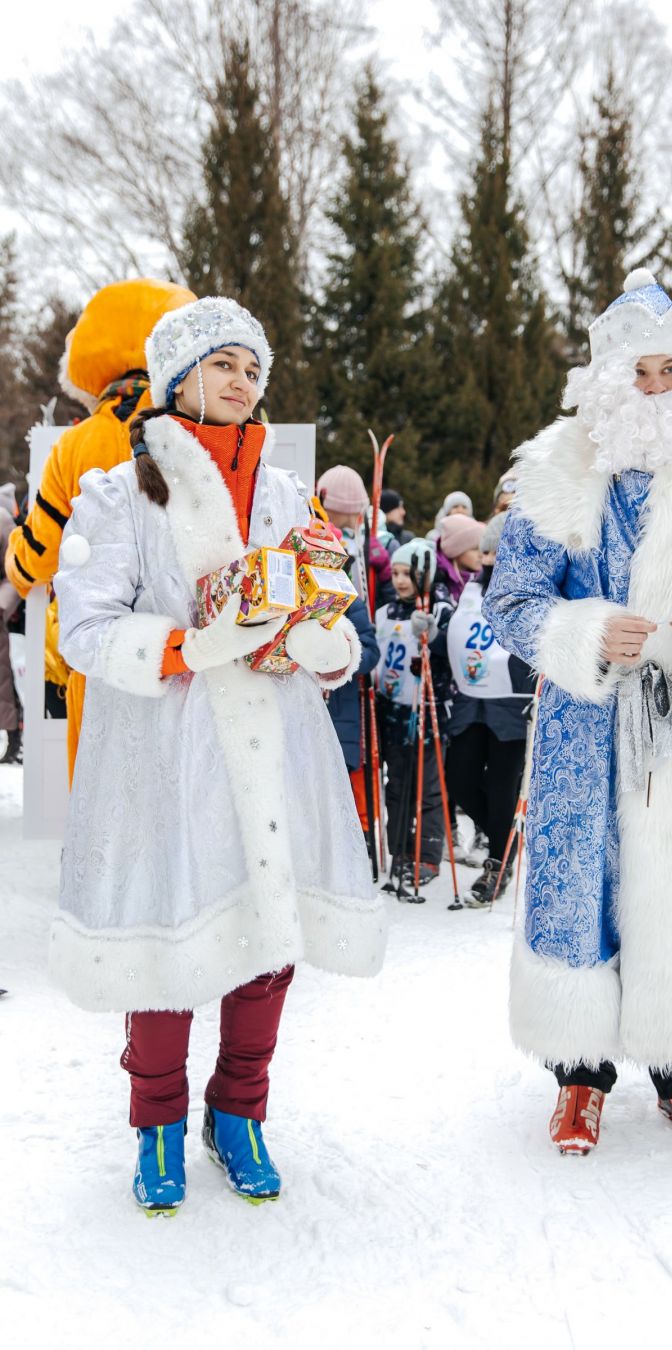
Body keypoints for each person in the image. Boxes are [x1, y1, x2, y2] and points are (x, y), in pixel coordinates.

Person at [52, 296, 386, 1214]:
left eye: (254, 369)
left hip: (277, 745)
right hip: (166, 751)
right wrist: (184, 649)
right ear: (175, 378)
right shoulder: (119, 491)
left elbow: (323, 609)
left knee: (267, 940)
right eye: (225, 364)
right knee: (168, 943)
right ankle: (156, 1122)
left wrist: (329, 646)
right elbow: (82, 623)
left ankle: (238, 1113)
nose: (243, 382)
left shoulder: (286, 494)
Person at [483, 269, 672, 1156]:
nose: (654, 388)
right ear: (604, 384)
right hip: (590, 723)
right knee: (583, 881)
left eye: (668, 372)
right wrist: (582, 633)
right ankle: (579, 1076)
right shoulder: (554, 475)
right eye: (638, 374)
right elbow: (512, 600)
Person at [3, 279, 196, 782]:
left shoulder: (77, 444)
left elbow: (36, 559)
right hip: (190, 649)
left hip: (104, 652)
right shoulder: (196, 432)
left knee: (103, 798)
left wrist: (14, 560)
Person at [445, 511, 537, 906]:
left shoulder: (528, 587)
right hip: (470, 699)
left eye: (498, 550)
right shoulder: (469, 592)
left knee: (502, 786)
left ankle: (497, 862)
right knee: (460, 777)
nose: (489, 558)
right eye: (486, 551)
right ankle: (506, 838)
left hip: (509, 702)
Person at [375, 537, 454, 892]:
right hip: (393, 710)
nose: (401, 580)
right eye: (396, 572)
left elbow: (452, 652)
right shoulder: (386, 611)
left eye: (408, 573)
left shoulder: (440, 608)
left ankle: (427, 854)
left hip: (429, 711)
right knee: (397, 786)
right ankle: (400, 851)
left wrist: (433, 638)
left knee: (429, 789)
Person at [324, 594, 380, 833]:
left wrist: (342, 655)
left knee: (341, 778)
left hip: (340, 709)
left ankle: (354, 832)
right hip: (303, 703)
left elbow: (370, 652)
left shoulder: (348, 601)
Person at [316, 464, 395, 607]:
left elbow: (390, 593)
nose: (321, 512)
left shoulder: (374, 539)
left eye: (324, 508)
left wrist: (384, 571)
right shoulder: (323, 536)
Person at [0, 483, 22, 763]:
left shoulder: (3, 520)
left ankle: (13, 739)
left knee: (3, 678)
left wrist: (2, 605)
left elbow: (13, 568)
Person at [435, 514, 485, 604]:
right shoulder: (440, 582)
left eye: (482, 548)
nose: (481, 555)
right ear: (456, 551)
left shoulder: (487, 577)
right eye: (474, 549)